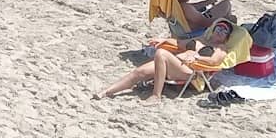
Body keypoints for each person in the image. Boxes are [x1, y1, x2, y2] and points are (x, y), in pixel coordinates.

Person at [93, 19, 236, 101]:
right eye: (219, 28)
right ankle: (107, 91)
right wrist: (163, 40)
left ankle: (156, 96)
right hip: (173, 64)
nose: (220, 32)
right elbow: (179, 44)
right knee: (140, 71)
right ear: (213, 30)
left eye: (224, 32)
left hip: (189, 72)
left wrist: (198, 57)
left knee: (161, 53)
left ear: (227, 37)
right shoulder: (201, 39)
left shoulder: (221, 48)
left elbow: (214, 62)